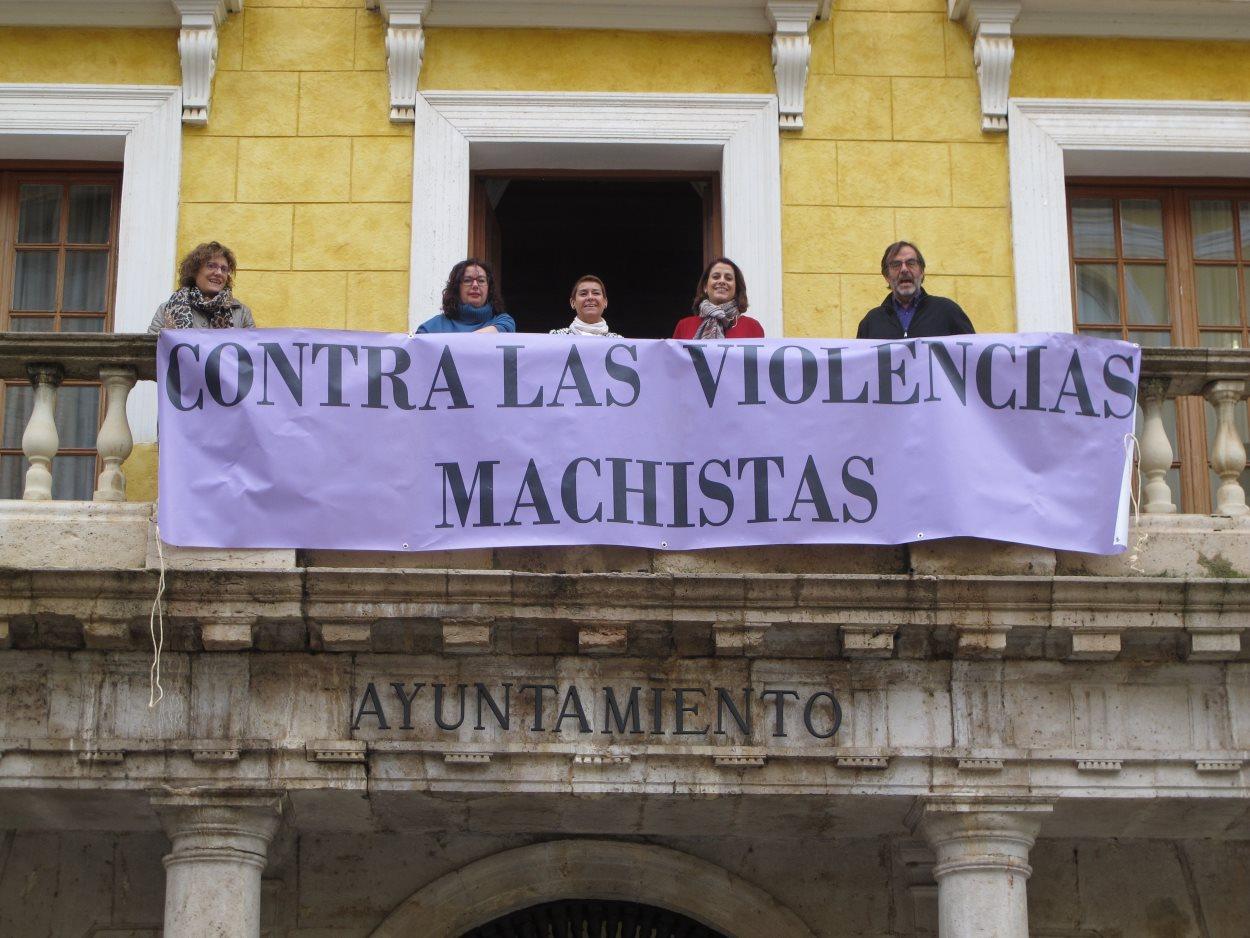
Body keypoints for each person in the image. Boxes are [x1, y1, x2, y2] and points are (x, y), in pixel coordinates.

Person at [856, 241, 975, 339]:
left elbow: (971, 356)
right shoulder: (871, 322)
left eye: (911, 263)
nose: (904, 270)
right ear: (886, 276)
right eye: (896, 265)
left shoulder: (947, 312)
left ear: (922, 272)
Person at [148, 241, 254, 332]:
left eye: (224, 269)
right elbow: (151, 351)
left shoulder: (242, 313)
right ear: (194, 271)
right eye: (211, 266)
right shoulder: (166, 310)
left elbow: (250, 352)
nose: (219, 273)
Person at [672, 257, 765, 340]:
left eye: (728, 278)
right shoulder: (684, 326)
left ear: (736, 289)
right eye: (716, 277)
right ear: (705, 287)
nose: (722, 281)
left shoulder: (752, 327)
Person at [417, 259, 516, 334]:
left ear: (489, 288)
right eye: (467, 280)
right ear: (457, 287)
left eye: (481, 280)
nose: (475, 285)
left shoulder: (504, 322)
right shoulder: (432, 328)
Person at [550, 275, 622, 337]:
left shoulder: (620, 343)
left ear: (605, 302)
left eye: (596, 293)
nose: (590, 297)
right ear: (572, 303)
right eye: (583, 294)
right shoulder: (555, 338)